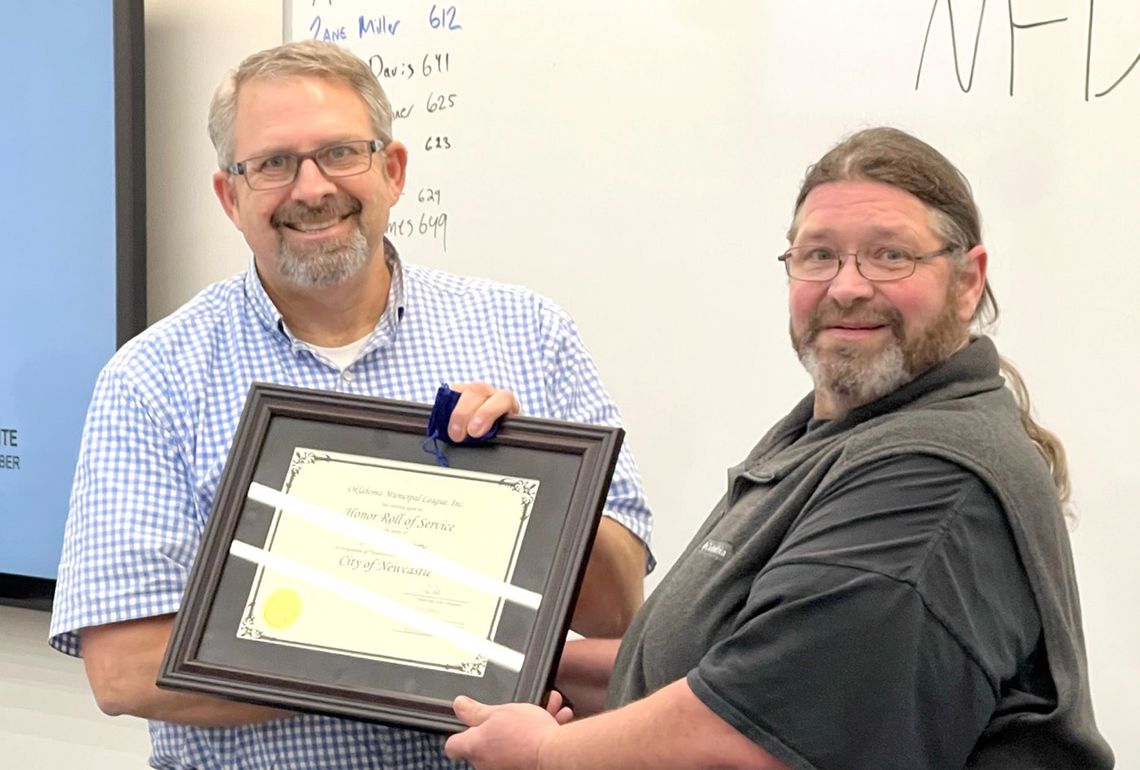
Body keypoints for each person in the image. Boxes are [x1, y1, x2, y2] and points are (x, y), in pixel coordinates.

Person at [49, 40, 652, 770]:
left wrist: (535, 475)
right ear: (228, 195)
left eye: (340, 152)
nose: (310, 188)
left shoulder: (527, 333)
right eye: (272, 163)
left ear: (392, 171)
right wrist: (407, 654)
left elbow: (617, 611)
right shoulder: (150, 380)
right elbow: (122, 667)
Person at [443, 127, 1115, 769]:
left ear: (968, 280)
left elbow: (749, 730)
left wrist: (544, 754)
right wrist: (509, 656)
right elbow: (695, 666)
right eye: (819, 255)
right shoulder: (826, 438)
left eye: (890, 255)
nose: (847, 287)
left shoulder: (933, 479)